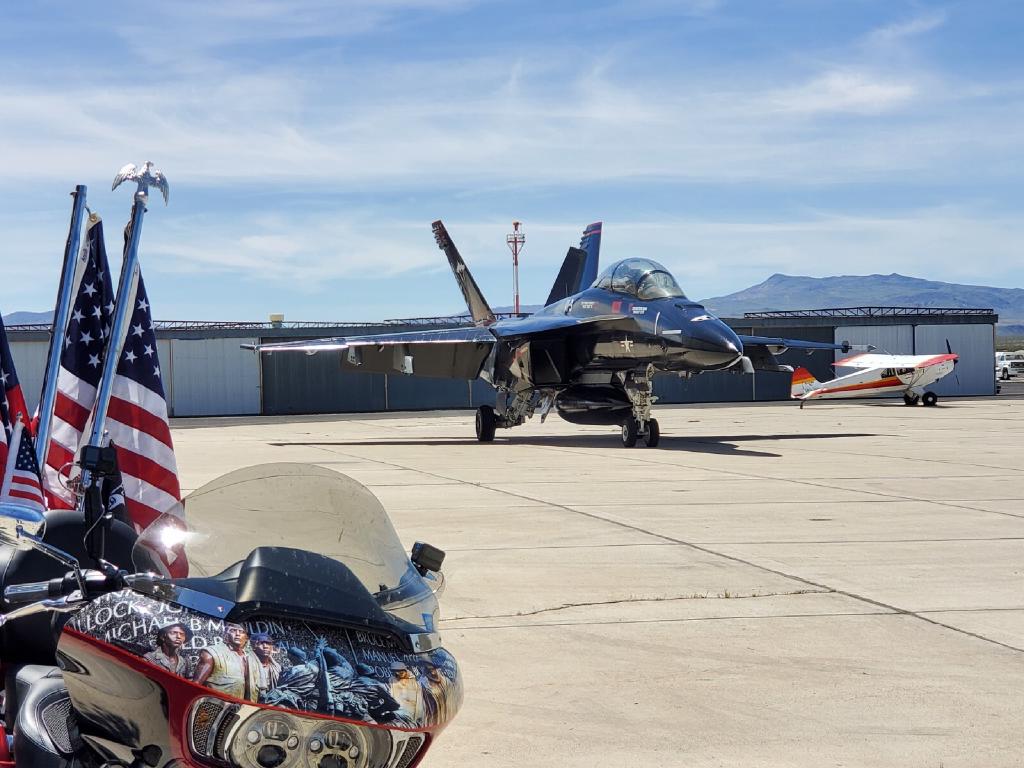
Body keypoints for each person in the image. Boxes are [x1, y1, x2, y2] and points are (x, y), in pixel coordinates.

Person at [192, 623, 261, 702]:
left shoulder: (252, 660)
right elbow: (196, 684)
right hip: (214, 709)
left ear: (246, 638)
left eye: (241, 632)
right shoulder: (212, 653)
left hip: (244, 711)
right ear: (225, 635)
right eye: (233, 631)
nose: (237, 634)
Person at [250, 633, 281, 698]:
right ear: (254, 646)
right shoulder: (248, 664)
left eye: (268, 643)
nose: (265, 646)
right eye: (261, 643)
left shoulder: (276, 667)